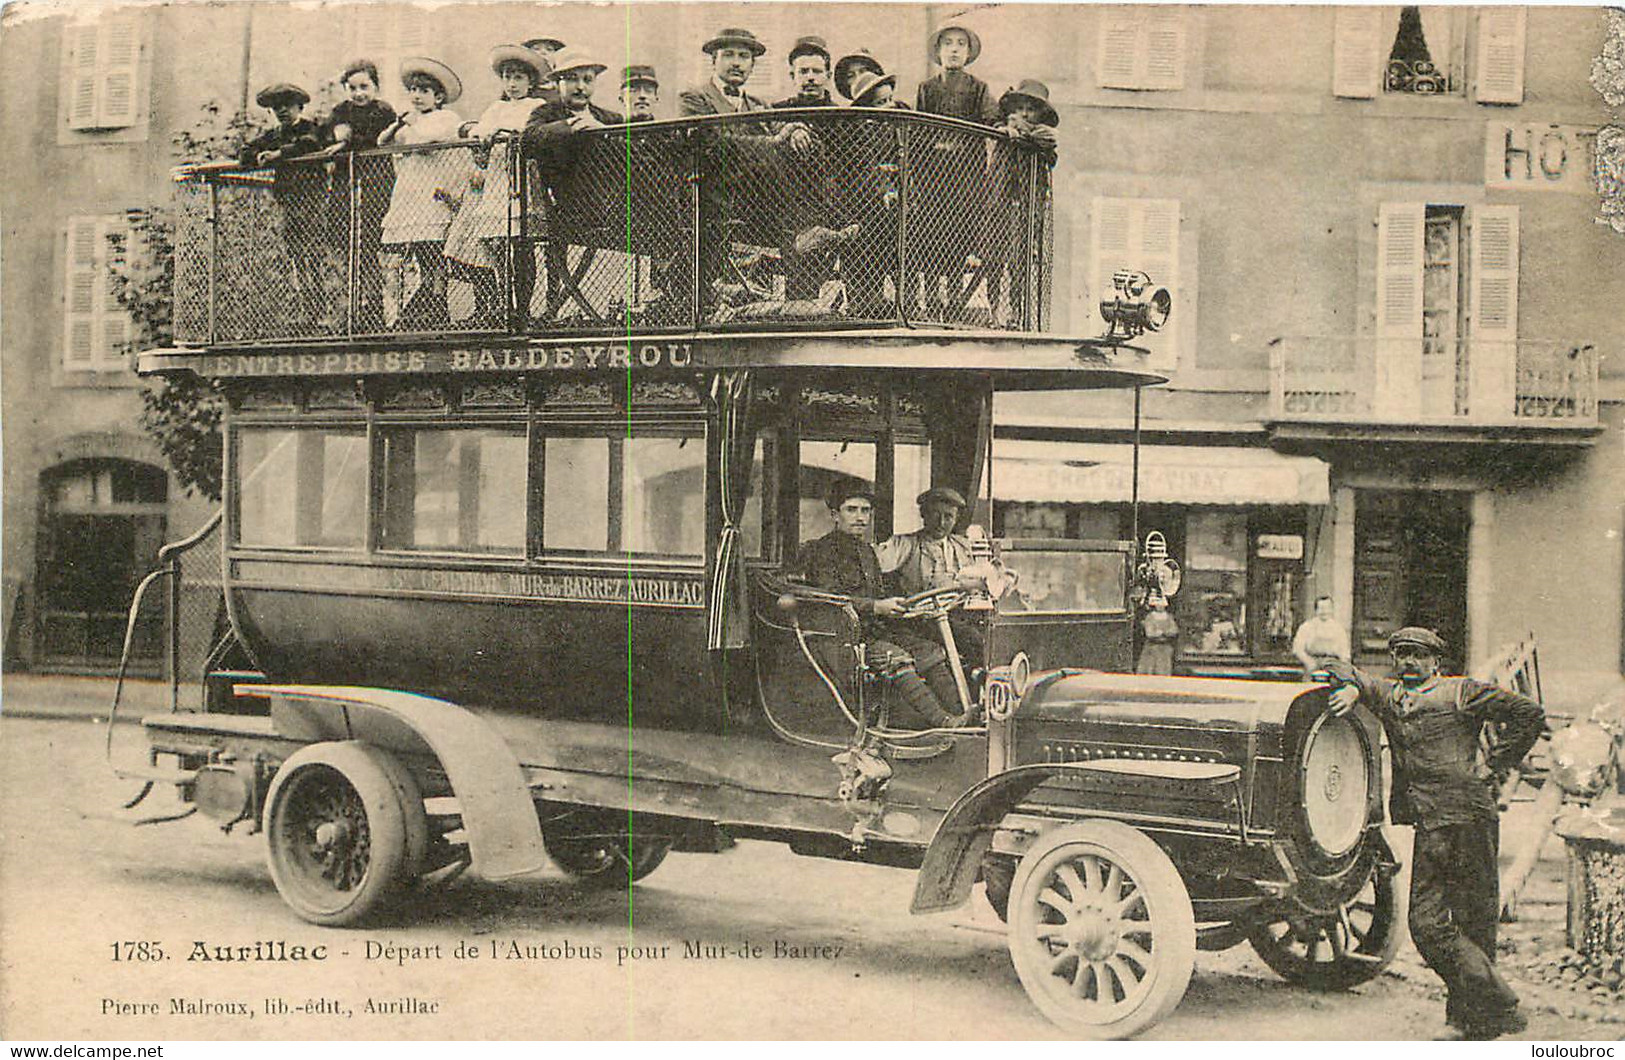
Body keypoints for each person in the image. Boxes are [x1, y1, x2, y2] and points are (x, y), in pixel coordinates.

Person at [1323, 627, 1544, 1041]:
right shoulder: (1389, 695)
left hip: (1471, 820)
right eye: (1402, 654)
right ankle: (1501, 1004)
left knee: (1474, 921)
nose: (1409, 662)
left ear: (1435, 663)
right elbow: (1340, 667)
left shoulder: (1462, 692)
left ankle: (1468, 1023)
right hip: (1430, 823)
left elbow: (1529, 714)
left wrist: (1496, 762)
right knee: (1425, 924)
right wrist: (1353, 688)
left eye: (1419, 656)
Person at [794, 483, 969, 728]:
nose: (860, 517)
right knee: (897, 658)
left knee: (930, 652)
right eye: (851, 510)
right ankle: (944, 721)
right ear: (835, 515)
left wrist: (902, 605)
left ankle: (966, 714)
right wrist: (876, 606)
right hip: (845, 636)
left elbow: (880, 592)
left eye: (865, 511)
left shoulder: (867, 551)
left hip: (877, 630)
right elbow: (831, 599)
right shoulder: (822, 552)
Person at [445, 44, 549, 328]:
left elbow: (535, 134)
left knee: (522, 245)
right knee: (497, 246)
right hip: (497, 182)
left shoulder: (536, 106)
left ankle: (523, 309)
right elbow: (479, 131)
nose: (512, 84)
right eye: (507, 77)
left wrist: (513, 136)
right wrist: (483, 134)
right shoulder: (496, 107)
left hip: (522, 180)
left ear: (530, 81)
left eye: (518, 77)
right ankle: (505, 303)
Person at [914, 24, 999, 317]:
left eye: (960, 44)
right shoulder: (927, 88)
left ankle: (954, 302)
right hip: (933, 180)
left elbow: (991, 120)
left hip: (965, 181)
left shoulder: (979, 88)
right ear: (938, 52)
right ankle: (933, 301)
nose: (953, 49)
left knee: (959, 238)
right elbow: (919, 131)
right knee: (931, 238)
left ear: (968, 52)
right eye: (947, 44)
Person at [377, 58, 466, 330]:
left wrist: (409, 127)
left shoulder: (445, 118)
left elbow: (424, 143)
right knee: (419, 256)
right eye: (413, 90)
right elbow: (383, 143)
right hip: (411, 196)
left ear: (438, 97)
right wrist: (396, 125)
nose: (416, 96)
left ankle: (435, 311)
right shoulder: (410, 123)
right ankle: (424, 312)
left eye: (424, 91)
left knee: (432, 256)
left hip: (432, 197)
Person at [241, 83, 328, 328]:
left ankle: (320, 311)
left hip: (312, 201)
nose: (282, 111)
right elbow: (246, 150)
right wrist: (258, 156)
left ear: (299, 106)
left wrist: (278, 154)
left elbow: (310, 144)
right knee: (295, 256)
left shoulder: (310, 128)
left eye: (287, 105)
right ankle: (305, 311)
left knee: (313, 255)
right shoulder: (275, 134)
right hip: (288, 202)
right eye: (276, 107)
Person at [320, 61, 397, 332]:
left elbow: (372, 139)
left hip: (375, 184)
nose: (358, 93)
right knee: (345, 246)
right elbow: (326, 132)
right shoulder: (341, 111)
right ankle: (348, 312)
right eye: (352, 88)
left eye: (364, 87)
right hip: (346, 186)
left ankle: (374, 310)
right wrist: (336, 133)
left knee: (370, 248)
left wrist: (345, 141)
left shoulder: (383, 110)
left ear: (375, 86)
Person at [875, 486, 988, 669]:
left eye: (948, 516)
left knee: (991, 638)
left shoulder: (962, 546)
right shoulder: (906, 544)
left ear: (956, 518)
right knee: (973, 639)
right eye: (935, 515)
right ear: (924, 515)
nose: (941, 522)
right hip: (918, 621)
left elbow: (983, 573)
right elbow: (874, 563)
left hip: (957, 615)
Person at [990, 79, 1059, 325]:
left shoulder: (1044, 137)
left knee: (1020, 262)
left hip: (1028, 207)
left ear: (1040, 113)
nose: (1025, 113)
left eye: (1031, 109)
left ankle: (1016, 313)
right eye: (1020, 108)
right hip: (1001, 203)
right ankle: (993, 311)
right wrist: (1008, 130)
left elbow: (1049, 153)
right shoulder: (1004, 131)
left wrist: (1027, 134)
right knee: (994, 259)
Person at [1292, 594, 1351, 677]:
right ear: (1316, 610)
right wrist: (1308, 662)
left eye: (1327, 608)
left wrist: (1342, 665)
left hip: (1333, 665)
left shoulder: (1338, 629)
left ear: (1332, 610)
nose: (1324, 611)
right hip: (1312, 662)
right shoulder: (1306, 627)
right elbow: (1298, 649)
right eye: (1321, 608)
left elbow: (1344, 653)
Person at [1136, 596, 1179, 675]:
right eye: (1158, 604)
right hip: (1152, 647)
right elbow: (1149, 633)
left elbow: (1174, 630)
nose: (1160, 606)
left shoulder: (1169, 617)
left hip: (1165, 648)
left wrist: (1163, 632)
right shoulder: (1150, 617)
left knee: (1164, 668)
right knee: (1150, 668)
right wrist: (1159, 633)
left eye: (1162, 604)